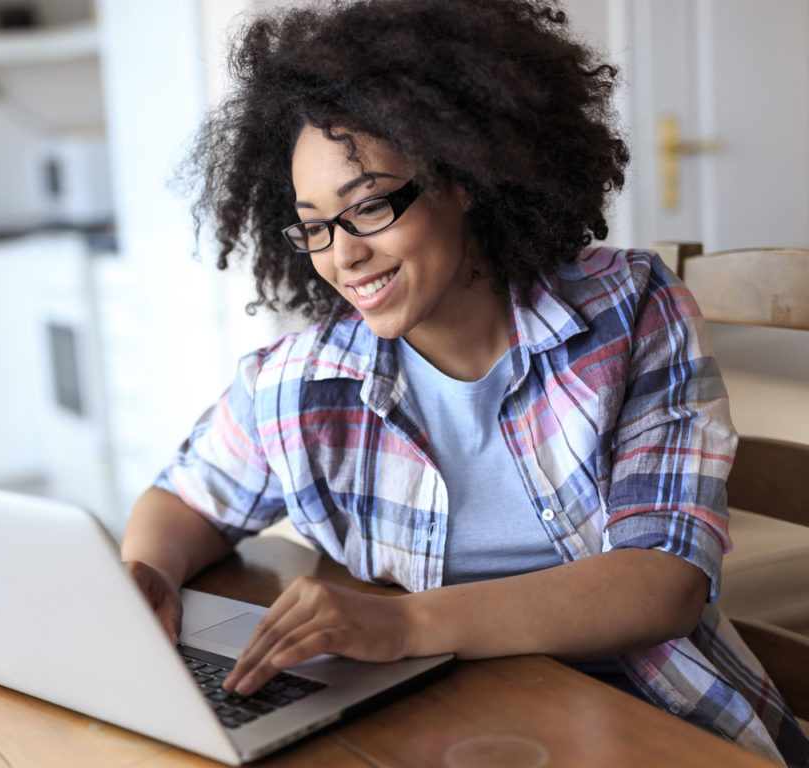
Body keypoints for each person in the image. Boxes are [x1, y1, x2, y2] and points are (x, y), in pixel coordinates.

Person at [119, 1, 809, 765]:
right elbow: (185, 498)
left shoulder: (630, 310)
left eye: (370, 206)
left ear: (463, 176)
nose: (341, 257)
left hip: (649, 717)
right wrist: (147, 575)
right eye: (314, 225)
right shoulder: (303, 381)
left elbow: (664, 582)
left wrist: (406, 625)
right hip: (444, 718)